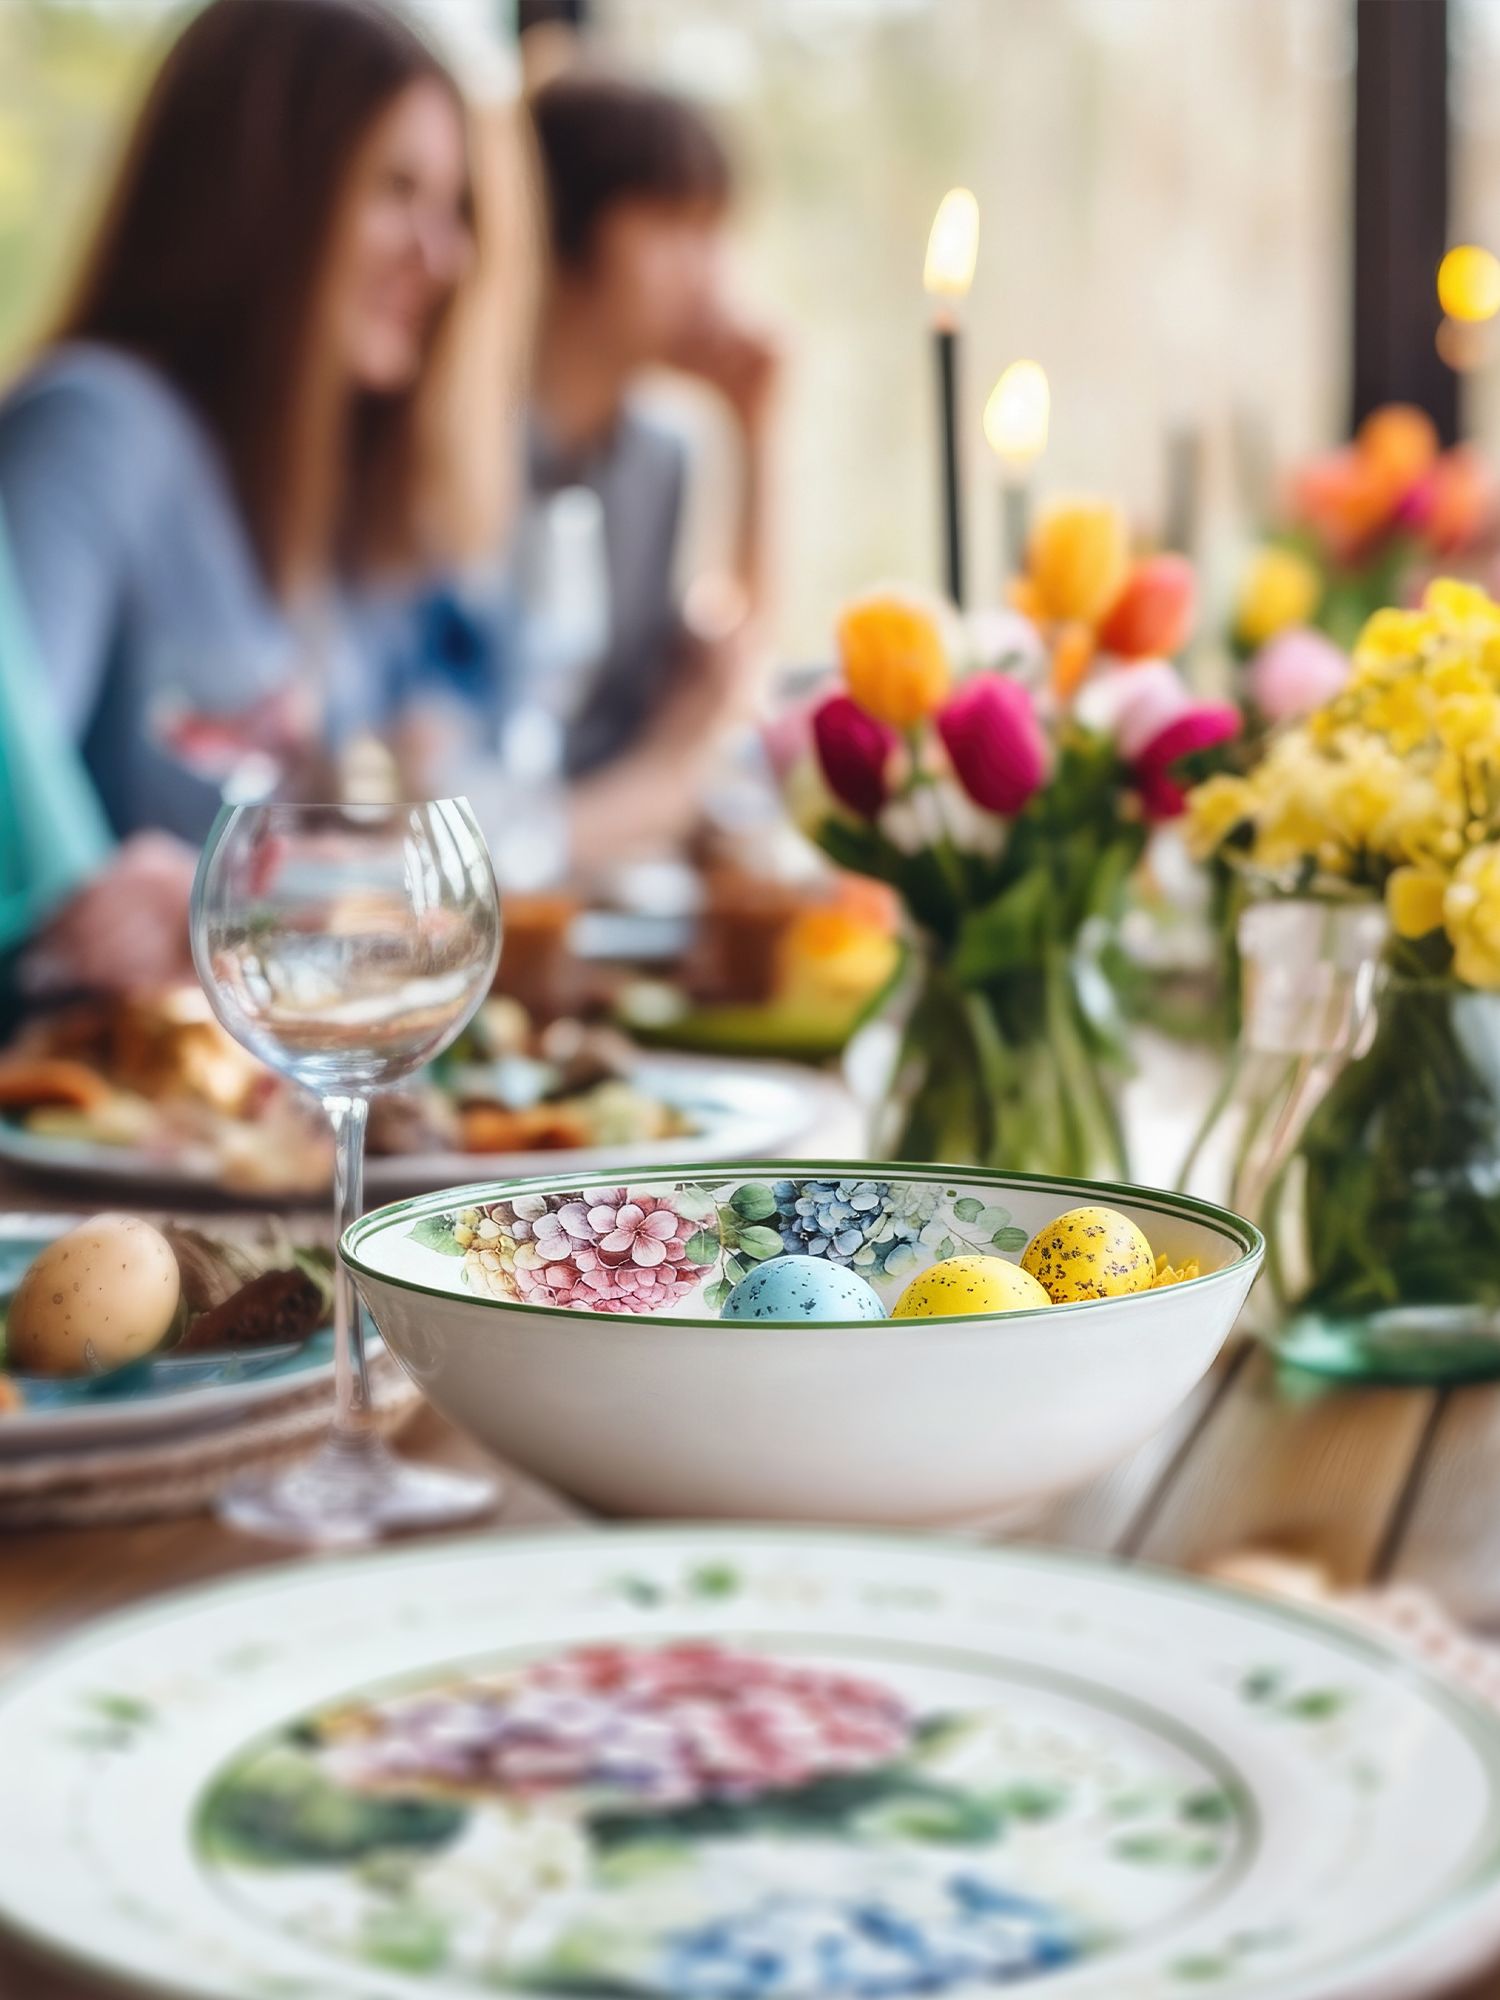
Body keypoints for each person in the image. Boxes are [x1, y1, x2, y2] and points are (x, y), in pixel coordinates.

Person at [0, 0, 513, 998]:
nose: (440, 255)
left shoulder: (317, 495)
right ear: (260, 198)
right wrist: (75, 905)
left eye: (451, 208)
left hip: (255, 1105)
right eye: (394, 190)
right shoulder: (98, 428)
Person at [522, 69, 781, 865]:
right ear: (563, 229)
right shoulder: (460, 449)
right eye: (675, 226)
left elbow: (723, 676)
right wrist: (668, 777)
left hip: (594, 869)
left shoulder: (658, 457)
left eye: (715, 233)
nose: (710, 274)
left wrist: (756, 430)